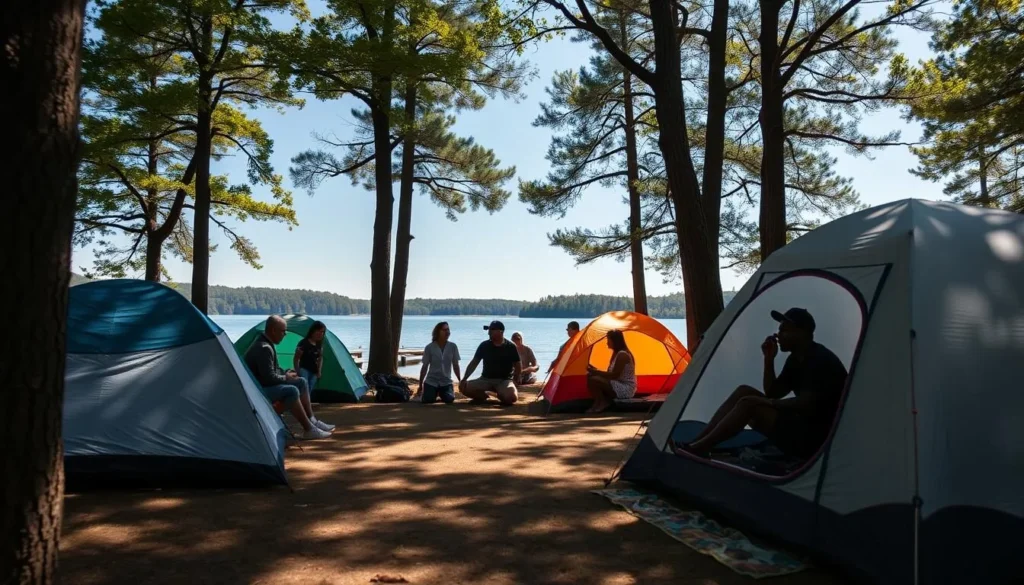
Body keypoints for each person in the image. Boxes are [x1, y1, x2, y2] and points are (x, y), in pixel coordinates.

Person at [673, 308, 847, 460]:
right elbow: (773, 392)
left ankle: (700, 448)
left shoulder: (820, 360)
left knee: (749, 404)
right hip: (802, 427)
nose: (778, 335)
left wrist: (767, 403)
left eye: (784, 330)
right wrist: (768, 359)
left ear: (802, 333)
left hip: (817, 439)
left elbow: (805, 403)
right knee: (744, 392)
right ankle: (697, 443)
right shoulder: (795, 359)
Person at [245, 315, 334, 439]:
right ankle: (309, 429)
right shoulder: (264, 348)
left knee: (301, 382)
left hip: (263, 385)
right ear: (273, 330)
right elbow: (268, 378)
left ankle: (312, 420)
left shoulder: (266, 344)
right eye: (283, 331)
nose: (285, 334)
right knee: (292, 391)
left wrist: (287, 372)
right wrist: (286, 377)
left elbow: (273, 370)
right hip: (259, 390)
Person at [459, 321, 522, 406]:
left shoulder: (511, 346)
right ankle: (484, 396)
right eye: (488, 330)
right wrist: (464, 378)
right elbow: (474, 363)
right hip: (485, 379)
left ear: (501, 331)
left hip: (504, 381)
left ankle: (500, 395)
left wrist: (515, 379)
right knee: (463, 387)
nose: (489, 332)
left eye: (492, 330)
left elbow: (517, 365)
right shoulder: (484, 345)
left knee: (511, 398)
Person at [584, 329, 637, 413]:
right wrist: (595, 371)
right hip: (617, 383)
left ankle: (602, 403)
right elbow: (610, 373)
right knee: (591, 377)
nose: (607, 343)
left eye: (608, 340)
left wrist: (595, 372)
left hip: (625, 388)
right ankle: (599, 402)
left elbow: (614, 375)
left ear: (615, 341)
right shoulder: (616, 354)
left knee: (593, 379)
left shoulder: (622, 355)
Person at [418, 321, 462, 404]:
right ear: (438, 332)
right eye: (444, 330)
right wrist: (420, 385)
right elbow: (424, 367)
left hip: (446, 381)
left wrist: (460, 380)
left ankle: (441, 393)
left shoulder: (453, 346)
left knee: (449, 399)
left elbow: (456, 365)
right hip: (431, 381)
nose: (447, 332)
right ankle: (431, 393)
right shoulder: (429, 347)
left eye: (448, 330)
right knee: (428, 400)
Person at [294, 320, 326, 396]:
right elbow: (296, 358)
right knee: (304, 388)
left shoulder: (319, 345)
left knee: (310, 388)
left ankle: (306, 405)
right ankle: (302, 405)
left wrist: (319, 371)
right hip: (304, 369)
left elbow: (320, 358)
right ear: (313, 331)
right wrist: (298, 371)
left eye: (322, 332)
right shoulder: (303, 343)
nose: (321, 334)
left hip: (314, 371)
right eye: (319, 331)